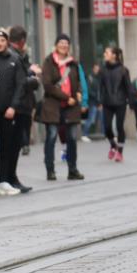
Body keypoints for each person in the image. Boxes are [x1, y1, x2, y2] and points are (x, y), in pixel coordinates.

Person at [39, 34, 85, 181]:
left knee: (71, 138)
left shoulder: (73, 64)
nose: (64, 45)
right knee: (51, 137)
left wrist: (78, 93)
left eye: (66, 43)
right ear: (56, 45)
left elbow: (78, 82)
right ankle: (50, 170)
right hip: (53, 106)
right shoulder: (48, 62)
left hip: (71, 107)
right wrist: (67, 98)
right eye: (61, 42)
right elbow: (47, 85)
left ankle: (73, 169)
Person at [0, 29, 26, 195]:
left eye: (2, 41)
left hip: (8, 111)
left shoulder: (14, 59)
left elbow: (20, 85)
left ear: (7, 42)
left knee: (6, 146)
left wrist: (13, 106)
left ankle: (4, 179)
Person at [7, 26, 40, 183]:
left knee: (15, 143)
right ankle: (10, 177)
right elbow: (19, 81)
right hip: (18, 105)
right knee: (13, 144)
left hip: (20, 105)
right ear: (22, 41)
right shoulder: (14, 56)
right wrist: (32, 77)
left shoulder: (18, 55)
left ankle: (11, 177)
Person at [100, 46, 133, 162]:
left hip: (120, 102)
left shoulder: (124, 70)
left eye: (107, 52)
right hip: (107, 102)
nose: (104, 54)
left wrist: (131, 103)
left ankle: (120, 152)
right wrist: (100, 101)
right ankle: (113, 145)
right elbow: (101, 87)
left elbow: (129, 87)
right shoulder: (103, 70)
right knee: (107, 127)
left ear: (114, 55)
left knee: (119, 127)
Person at [82, 63, 102, 142]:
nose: (97, 70)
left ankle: (104, 133)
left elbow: (99, 91)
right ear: (93, 69)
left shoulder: (98, 78)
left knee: (101, 118)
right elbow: (90, 91)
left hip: (97, 102)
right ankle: (84, 134)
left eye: (98, 69)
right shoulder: (90, 78)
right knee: (90, 119)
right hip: (92, 102)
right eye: (96, 68)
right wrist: (97, 100)